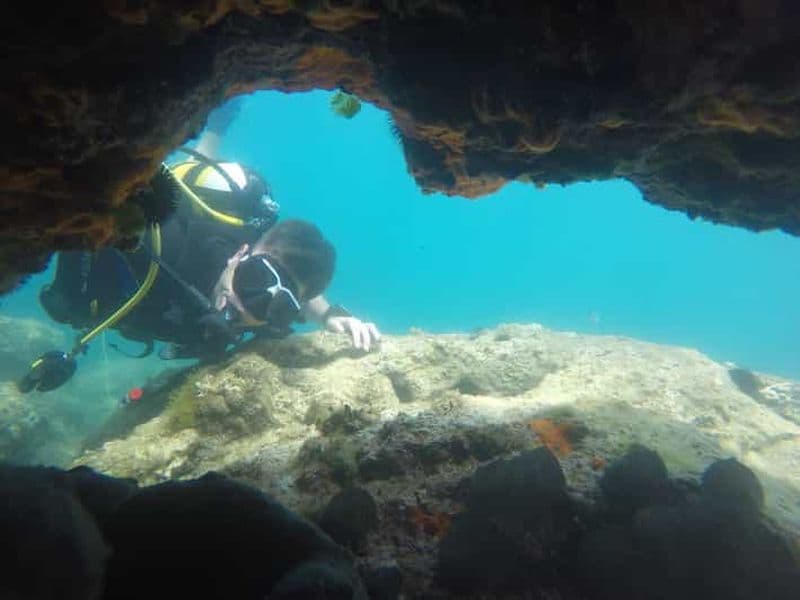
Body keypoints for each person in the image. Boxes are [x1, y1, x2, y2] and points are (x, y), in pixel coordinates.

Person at [20, 98, 380, 393]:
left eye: (280, 307)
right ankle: (214, 128)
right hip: (174, 212)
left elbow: (289, 284)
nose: (246, 307)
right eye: (253, 280)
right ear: (242, 252)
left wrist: (332, 315)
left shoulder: (264, 299)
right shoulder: (163, 238)